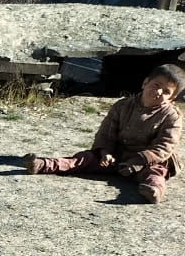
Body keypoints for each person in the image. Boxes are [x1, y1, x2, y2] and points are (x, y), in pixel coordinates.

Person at [25, 64, 184, 204]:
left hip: (147, 161)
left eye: (166, 91)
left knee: (156, 173)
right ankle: (43, 164)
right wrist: (105, 152)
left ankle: (153, 190)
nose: (158, 92)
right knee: (83, 159)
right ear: (145, 82)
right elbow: (106, 133)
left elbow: (164, 147)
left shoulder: (172, 117)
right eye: (156, 85)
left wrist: (138, 162)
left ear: (172, 98)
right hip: (117, 156)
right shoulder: (122, 106)